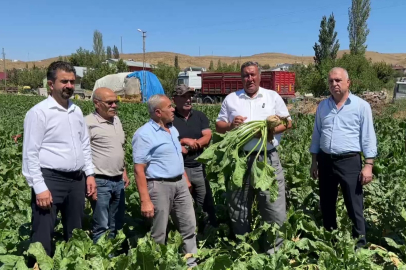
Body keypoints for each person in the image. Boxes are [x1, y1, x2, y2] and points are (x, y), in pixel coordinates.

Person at [22, 61, 96, 260]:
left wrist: (89, 174)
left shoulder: (77, 111)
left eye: (72, 81)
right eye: (64, 81)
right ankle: (39, 264)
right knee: (42, 234)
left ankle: (73, 264)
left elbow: (84, 145)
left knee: (76, 233)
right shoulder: (39, 113)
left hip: (76, 180)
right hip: (50, 180)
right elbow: (30, 153)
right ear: (50, 84)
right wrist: (40, 187)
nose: (69, 86)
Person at [215, 61, 292, 254]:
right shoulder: (232, 99)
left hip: (266, 157)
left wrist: (270, 132)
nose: (249, 79)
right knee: (239, 206)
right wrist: (232, 125)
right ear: (241, 78)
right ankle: (244, 249)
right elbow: (219, 126)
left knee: (272, 205)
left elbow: (288, 122)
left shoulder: (272, 96)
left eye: (252, 75)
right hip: (240, 159)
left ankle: (274, 252)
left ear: (259, 76)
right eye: (245, 76)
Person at [309, 67, 377, 248]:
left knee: (354, 206)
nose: (334, 84)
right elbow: (317, 134)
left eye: (338, 80)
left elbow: (368, 136)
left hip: (350, 161)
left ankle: (360, 248)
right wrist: (314, 161)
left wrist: (368, 164)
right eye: (331, 81)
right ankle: (330, 243)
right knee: (327, 203)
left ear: (348, 83)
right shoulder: (323, 106)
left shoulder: (361, 106)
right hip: (325, 160)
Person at [132, 94, 198, 267]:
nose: (173, 109)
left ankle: (191, 263)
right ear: (158, 112)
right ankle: (155, 264)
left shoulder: (173, 130)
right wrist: (145, 200)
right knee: (159, 231)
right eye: (169, 106)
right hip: (158, 185)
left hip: (180, 184)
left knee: (188, 226)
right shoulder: (144, 134)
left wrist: (184, 178)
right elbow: (139, 169)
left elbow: (175, 156)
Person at [85, 87, 130, 243]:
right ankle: (101, 260)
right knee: (101, 225)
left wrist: (124, 171)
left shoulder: (116, 120)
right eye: (110, 102)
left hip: (118, 180)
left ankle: (113, 259)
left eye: (116, 102)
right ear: (97, 103)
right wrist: (89, 178)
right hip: (100, 180)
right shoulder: (87, 123)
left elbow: (120, 147)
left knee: (116, 223)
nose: (114, 105)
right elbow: (83, 153)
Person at [172, 84, 218, 229]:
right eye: (184, 97)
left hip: (198, 167)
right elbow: (166, 140)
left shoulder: (199, 116)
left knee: (205, 203)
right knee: (180, 205)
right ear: (175, 99)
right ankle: (184, 234)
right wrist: (184, 141)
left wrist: (195, 144)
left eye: (189, 96)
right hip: (178, 169)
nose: (188, 100)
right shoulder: (170, 118)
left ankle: (209, 233)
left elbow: (208, 136)